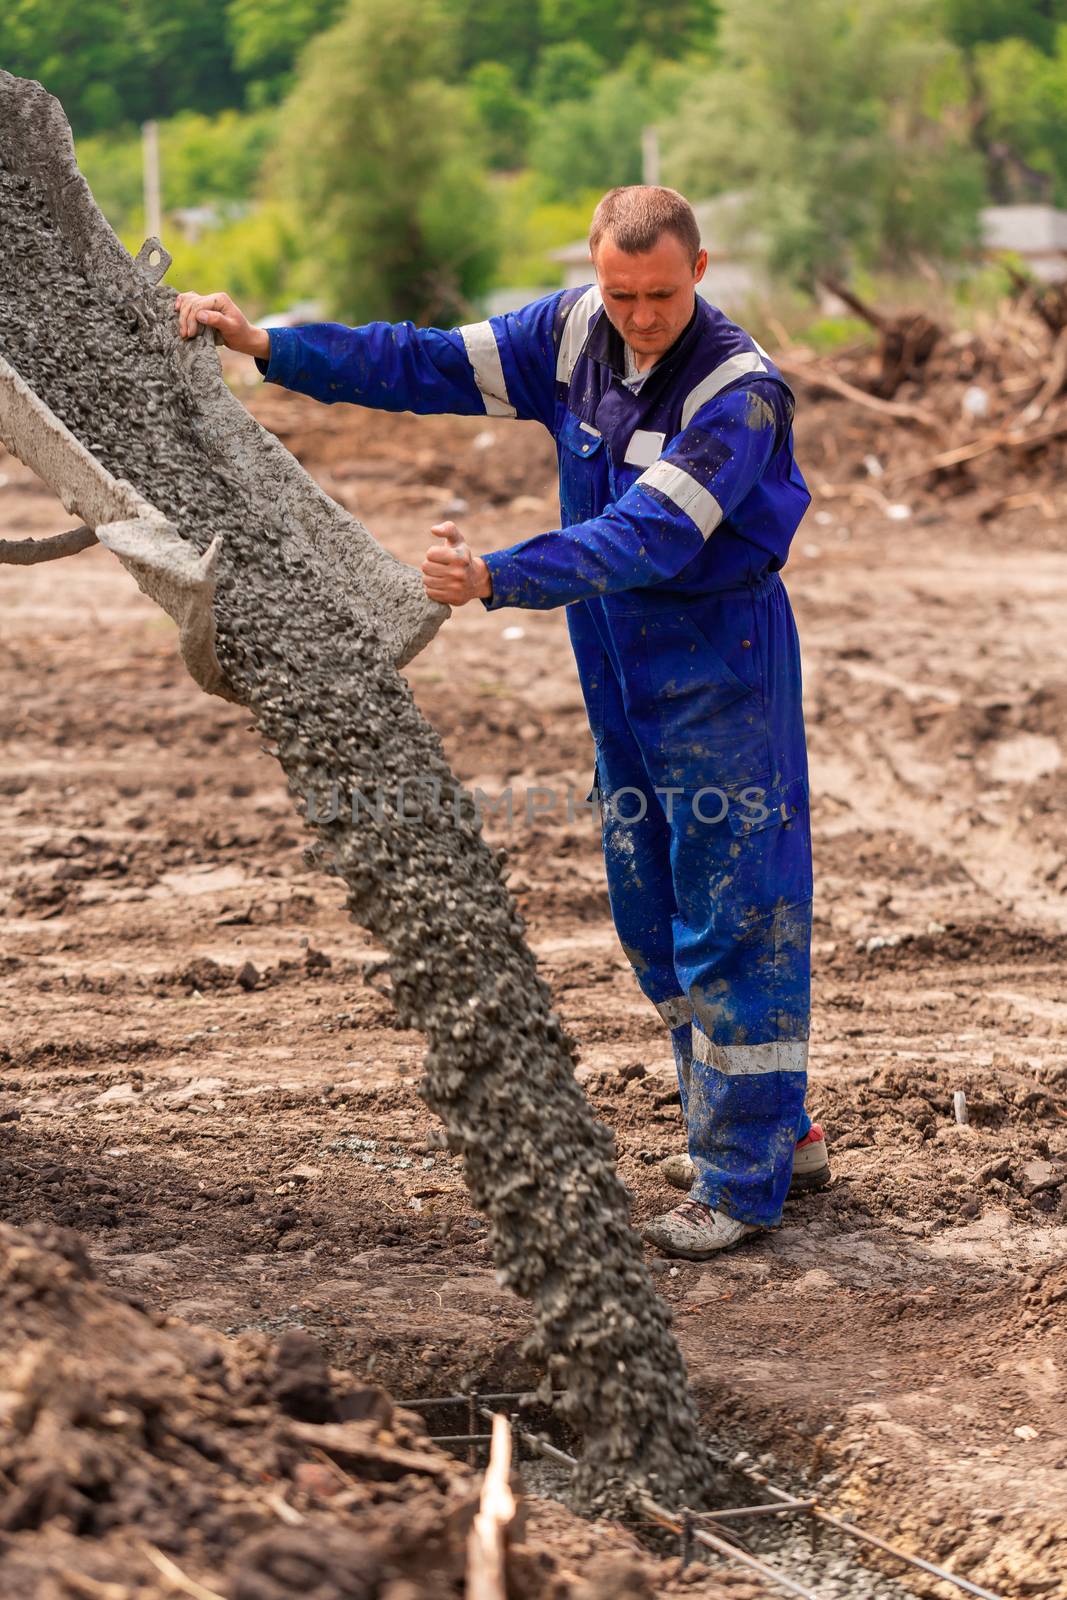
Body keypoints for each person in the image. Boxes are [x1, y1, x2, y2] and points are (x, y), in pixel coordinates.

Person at [175, 184, 830, 1260]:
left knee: (733, 906)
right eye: (620, 293)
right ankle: (773, 1126)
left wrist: (495, 575)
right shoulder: (573, 330)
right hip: (616, 652)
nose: (639, 316)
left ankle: (740, 1178)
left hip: (720, 658)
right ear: (593, 273)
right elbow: (423, 360)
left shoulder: (737, 395)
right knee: (651, 903)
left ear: (699, 273)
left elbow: (643, 540)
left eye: (660, 294)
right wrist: (269, 346)